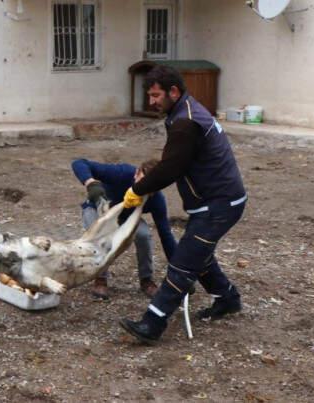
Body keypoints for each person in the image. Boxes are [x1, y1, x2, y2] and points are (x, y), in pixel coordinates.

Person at [119, 65, 247, 345]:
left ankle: (152, 323)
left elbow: (171, 168)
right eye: (149, 95)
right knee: (198, 252)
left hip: (218, 203)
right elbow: (175, 161)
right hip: (218, 199)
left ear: (173, 92)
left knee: (183, 261)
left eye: (155, 95)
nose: (152, 102)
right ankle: (226, 298)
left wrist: (137, 189)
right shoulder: (185, 111)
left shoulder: (185, 122)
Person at [72, 158, 178, 299]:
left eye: (152, 186)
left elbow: (166, 235)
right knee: (100, 238)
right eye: (143, 182)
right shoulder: (121, 173)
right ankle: (100, 278)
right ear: (137, 173)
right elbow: (79, 163)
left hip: (127, 217)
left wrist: (179, 272)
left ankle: (146, 280)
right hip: (99, 211)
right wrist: (90, 183)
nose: (146, 188)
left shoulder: (156, 199)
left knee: (144, 235)